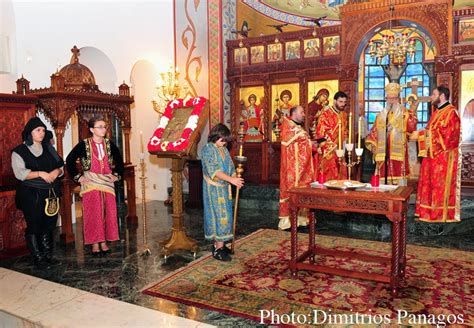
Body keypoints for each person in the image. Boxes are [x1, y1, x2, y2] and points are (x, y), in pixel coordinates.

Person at [66, 116, 124, 256]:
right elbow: (69, 160)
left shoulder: (109, 144)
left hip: (107, 183)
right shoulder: (83, 144)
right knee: (94, 213)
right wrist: (78, 177)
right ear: (92, 129)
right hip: (91, 182)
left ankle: (104, 242)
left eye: (104, 126)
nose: (103, 129)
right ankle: (95, 244)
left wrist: (116, 175)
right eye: (100, 126)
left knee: (108, 212)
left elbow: (120, 161)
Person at [11, 117, 64, 269]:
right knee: (34, 224)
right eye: (38, 130)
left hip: (51, 193)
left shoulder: (49, 148)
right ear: (30, 133)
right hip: (31, 193)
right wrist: (40, 173)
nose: (41, 133)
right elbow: (20, 173)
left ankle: (47, 255)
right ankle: (38, 258)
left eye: (43, 130)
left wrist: (56, 171)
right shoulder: (19, 151)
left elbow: (61, 166)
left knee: (49, 224)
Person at [413, 86, 461, 222]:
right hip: (431, 156)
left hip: (444, 158)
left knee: (439, 186)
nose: (431, 97)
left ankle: (440, 215)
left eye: (434, 94)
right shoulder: (436, 113)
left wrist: (422, 134)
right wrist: (423, 133)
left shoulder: (451, 112)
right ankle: (427, 212)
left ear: (442, 96)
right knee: (428, 184)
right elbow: (430, 130)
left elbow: (450, 136)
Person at [201, 124, 244, 261]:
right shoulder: (207, 149)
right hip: (213, 190)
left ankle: (222, 244)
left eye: (226, 140)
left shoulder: (224, 150)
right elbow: (213, 171)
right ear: (215, 136)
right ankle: (217, 248)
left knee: (226, 216)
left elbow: (230, 166)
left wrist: (235, 176)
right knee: (218, 217)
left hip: (224, 188)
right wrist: (231, 180)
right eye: (222, 140)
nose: (224, 143)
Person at [365, 83, 417, 185]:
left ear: (398, 99)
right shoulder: (381, 115)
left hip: (399, 153)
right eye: (389, 99)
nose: (391, 101)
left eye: (394, 98)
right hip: (383, 153)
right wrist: (373, 145)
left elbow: (411, 127)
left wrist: (411, 114)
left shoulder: (404, 113)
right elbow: (374, 132)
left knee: (399, 182)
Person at [279, 105, 316, 230]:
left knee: (303, 188)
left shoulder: (297, 127)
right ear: (294, 113)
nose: (304, 114)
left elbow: (303, 141)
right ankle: (287, 220)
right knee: (292, 189)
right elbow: (292, 141)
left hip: (300, 165)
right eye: (302, 112)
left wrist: (311, 143)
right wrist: (309, 142)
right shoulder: (288, 125)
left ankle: (301, 218)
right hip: (292, 166)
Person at [315, 91, 349, 181]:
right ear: (334, 101)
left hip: (341, 149)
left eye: (344, 102)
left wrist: (344, 145)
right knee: (330, 175)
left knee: (341, 174)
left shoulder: (344, 115)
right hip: (329, 150)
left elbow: (345, 131)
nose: (343, 104)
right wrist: (332, 146)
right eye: (340, 102)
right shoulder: (325, 115)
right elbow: (320, 134)